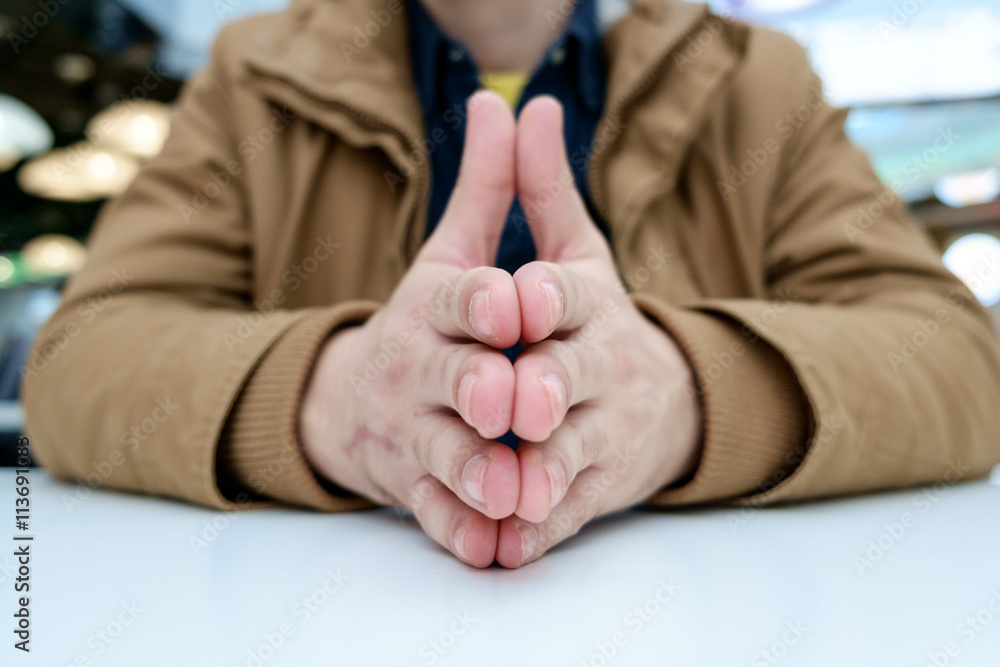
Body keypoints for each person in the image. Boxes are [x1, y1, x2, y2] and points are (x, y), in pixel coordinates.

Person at [22, 0, 1000, 569]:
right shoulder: (255, 75)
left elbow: (956, 364)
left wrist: (687, 397)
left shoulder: (756, 80)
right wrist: (337, 399)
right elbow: (78, 367)